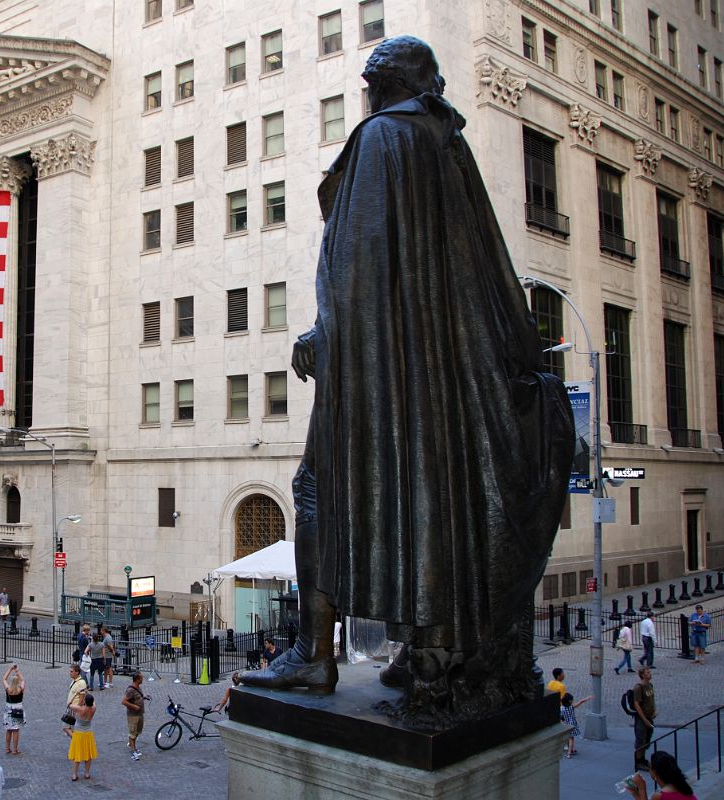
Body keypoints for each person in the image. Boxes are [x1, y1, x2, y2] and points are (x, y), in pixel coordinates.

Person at [236, 36, 574, 720]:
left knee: (314, 491)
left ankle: (314, 657)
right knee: (434, 502)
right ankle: (427, 651)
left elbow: (356, 261)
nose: (363, 93)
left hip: (378, 371)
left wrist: (326, 335)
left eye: (368, 82)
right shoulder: (447, 146)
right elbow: (485, 266)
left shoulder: (382, 140)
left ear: (382, 83)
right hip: (443, 378)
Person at [624, 751, 695, 799]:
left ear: (655, 772)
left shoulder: (659, 796)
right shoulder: (683, 786)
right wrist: (634, 791)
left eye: (650, 767)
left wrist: (642, 788)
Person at [67, 693, 97, 781]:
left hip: (79, 734)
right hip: (88, 733)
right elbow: (94, 703)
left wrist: (76, 694)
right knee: (88, 755)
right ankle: (87, 773)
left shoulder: (80, 709)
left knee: (77, 755)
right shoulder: (94, 708)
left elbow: (69, 704)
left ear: (85, 701)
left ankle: (74, 775)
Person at [632, 667, 656, 772]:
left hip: (649, 716)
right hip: (642, 718)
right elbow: (637, 704)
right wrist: (644, 719)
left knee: (647, 738)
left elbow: (652, 700)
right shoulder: (639, 688)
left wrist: (654, 710)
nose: (649, 674)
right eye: (647, 672)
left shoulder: (650, 685)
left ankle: (643, 758)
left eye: (649, 672)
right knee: (640, 739)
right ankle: (638, 761)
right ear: (642, 675)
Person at [122, 671, 147, 761]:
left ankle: (133, 745)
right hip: (133, 715)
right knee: (132, 733)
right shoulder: (130, 690)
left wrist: (144, 697)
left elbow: (137, 698)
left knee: (137, 731)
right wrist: (134, 706)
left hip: (140, 714)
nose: (142, 679)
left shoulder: (138, 688)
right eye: (141, 678)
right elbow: (124, 701)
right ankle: (133, 751)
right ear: (137, 679)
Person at [3, 664, 25, 755]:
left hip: (9, 708)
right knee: (16, 730)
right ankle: (15, 749)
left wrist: (10, 669)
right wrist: (17, 671)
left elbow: (4, 679)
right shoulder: (20, 689)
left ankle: (8, 748)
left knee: (9, 729)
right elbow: (23, 680)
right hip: (18, 708)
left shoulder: (8, 689)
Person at [560, 692, 591, 758]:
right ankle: (570, 752)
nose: (573, 701)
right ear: (569, 701)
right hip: (573, 725)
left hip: (566, 725)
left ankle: (570, 751)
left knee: (570, 738)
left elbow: (562, 718)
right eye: (572, 700)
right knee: (571, 738)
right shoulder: (571, 707)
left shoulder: (561, 709)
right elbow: (581, 702)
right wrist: (587, 698)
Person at [64, 664, 87, 738]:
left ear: (77, 672)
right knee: (68, 728)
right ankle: (76, 744)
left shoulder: (81, 683)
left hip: (74, 709)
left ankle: (77, 743)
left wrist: (77, 709)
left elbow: (81, 699)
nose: (70, 673)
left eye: (71, 671)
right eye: (70, 671)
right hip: (70, 708)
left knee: (67, 728)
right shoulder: (74, 681)